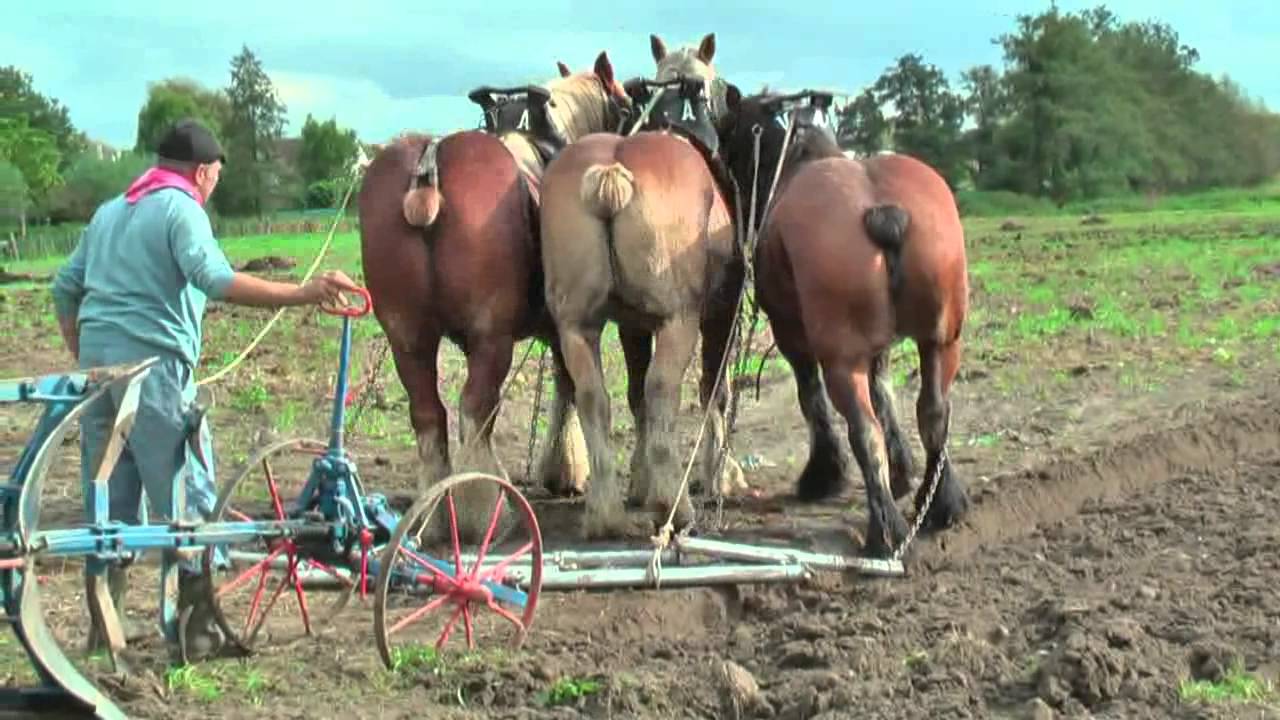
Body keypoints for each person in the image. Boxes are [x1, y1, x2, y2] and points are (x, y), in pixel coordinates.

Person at [50, 118, 361, 661]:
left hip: (99, 376)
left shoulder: (109, 211)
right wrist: (303, 292)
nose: (214, 182)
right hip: (155, 373)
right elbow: (216, 279)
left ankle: (105, 634)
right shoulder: (181, 208)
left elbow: (64, 287)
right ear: (202, 172)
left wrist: (84, 351)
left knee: (110, 500)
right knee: (187, 493)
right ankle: (197, 633)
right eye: (215, 174)